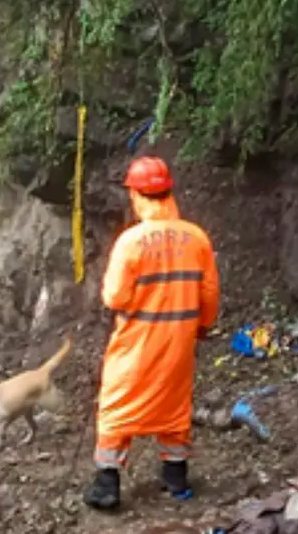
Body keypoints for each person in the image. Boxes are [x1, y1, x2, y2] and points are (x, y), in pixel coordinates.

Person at [83, 156, 221, 510]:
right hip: (179, 340)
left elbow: (115, 296)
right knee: (175, 405)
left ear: (138, 195)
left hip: (137, 342)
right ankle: (175, 479)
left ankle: (107, 485)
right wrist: (202, 326)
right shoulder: (197, 237)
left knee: (117, 405)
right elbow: (209, 294)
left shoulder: (131, 242)